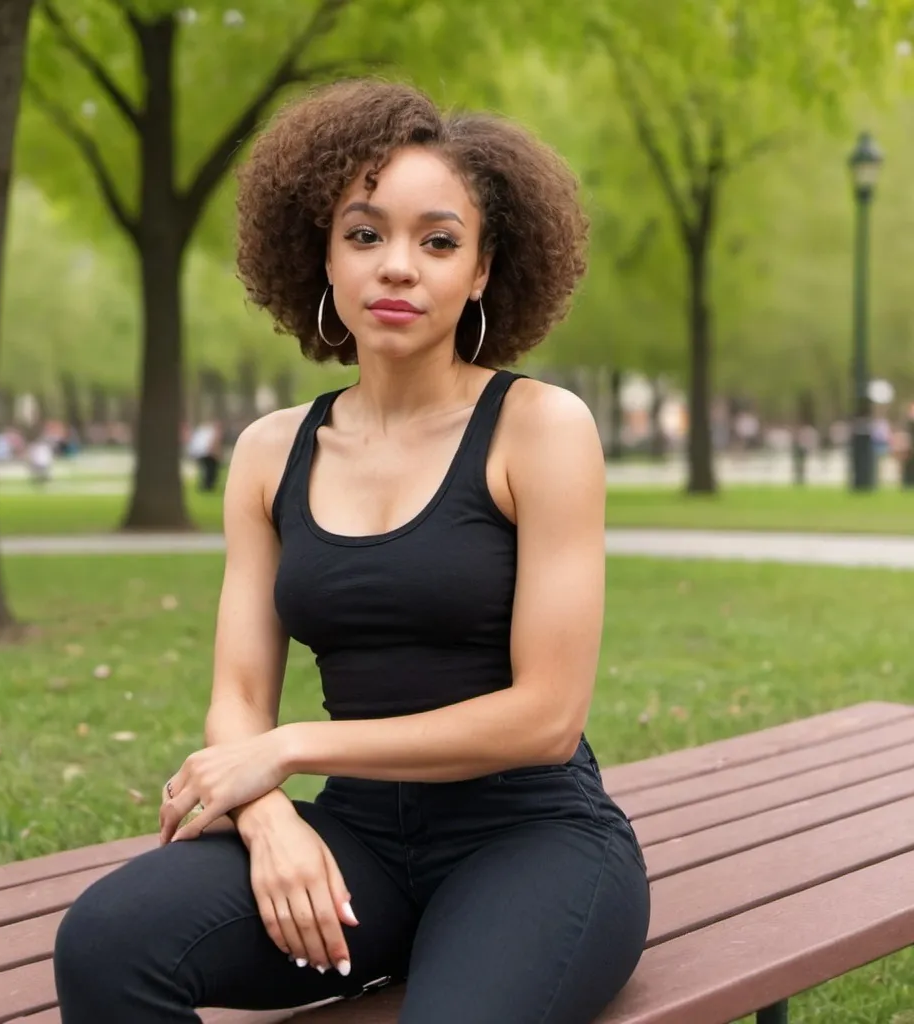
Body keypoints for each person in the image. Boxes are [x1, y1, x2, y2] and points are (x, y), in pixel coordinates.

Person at [53, 79, 650, 1024]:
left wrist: (289, 751)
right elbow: (238, 699)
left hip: (532, 841)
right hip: (359, 843)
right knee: (107, 945)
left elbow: (547, 716)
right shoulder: (268, 452)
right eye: (365, 234)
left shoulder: (540, 430)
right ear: (322, 256)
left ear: (484, 269)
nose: (399, 267)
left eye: (439, 240)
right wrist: (270, 819)